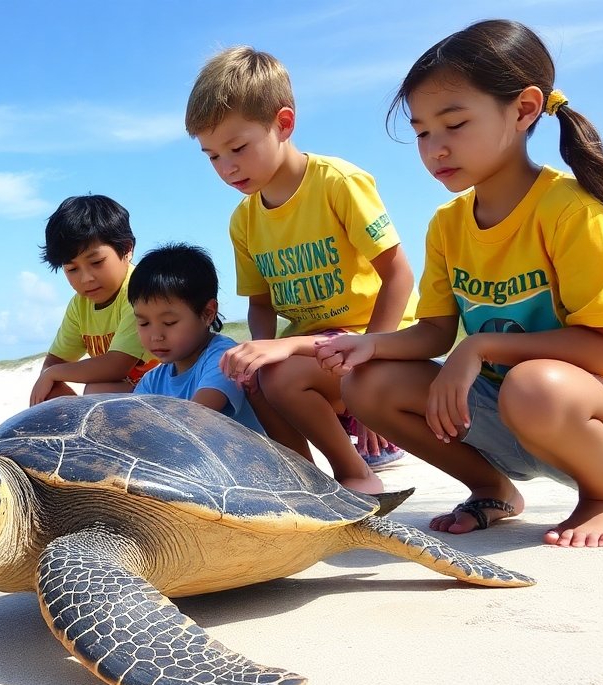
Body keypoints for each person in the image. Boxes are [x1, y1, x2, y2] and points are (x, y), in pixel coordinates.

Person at [315, 19, 603, 548]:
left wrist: (480, 346)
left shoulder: (571, 211)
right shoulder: (448, 223)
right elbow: (434, 332)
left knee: (534, 384)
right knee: (367, 382)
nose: (434, 147)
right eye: (421, 132)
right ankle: (492, 487)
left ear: (524, 109)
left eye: (454, 124)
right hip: (512, 410)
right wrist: (368, 344)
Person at [184, 45, 418, 494]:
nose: (226, 167)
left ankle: (354, 474)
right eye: (212, 156)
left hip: (372, 337)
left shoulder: (337, 184)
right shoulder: (244, 220)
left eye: (237, 148)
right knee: (253, 372)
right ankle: (304, 482)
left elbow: (399, 275)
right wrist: (261, 352)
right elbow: (260, 303)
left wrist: (369, 356)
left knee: (279, 372)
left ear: (283, 124)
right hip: (313, 348)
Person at [30, 194, 156, 406]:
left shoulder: (139, 289)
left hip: (168, 390)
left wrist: (53, 373)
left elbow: (117, 365)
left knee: (97, 389)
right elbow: (54, 361)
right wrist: (51, 378)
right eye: (72, 269)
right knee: (50, 394)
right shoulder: (80, 305)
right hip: (126, 395)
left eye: (96, 262)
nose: (86, 278)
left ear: (127, 249)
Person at [129, 242, 263, 433]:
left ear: (208, 313)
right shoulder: (152, 380)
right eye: (143, 323)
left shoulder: (224, 359)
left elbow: (195, 418)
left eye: (169, 323)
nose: (156, 336)